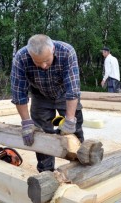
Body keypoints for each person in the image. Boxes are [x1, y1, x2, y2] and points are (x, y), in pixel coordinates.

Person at [10, 34, 84, 173]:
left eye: (46, 60)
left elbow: (73, 89)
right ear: (31, 56)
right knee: (41, 134)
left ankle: (79, 167)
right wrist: (26, 122)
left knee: (75, 130)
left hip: (64, 94)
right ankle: (46, 171)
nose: (43, 66)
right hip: (40, 95)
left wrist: (69, 120)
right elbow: (19, 94)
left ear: (53, 50)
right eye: (38, 62)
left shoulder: (67, 51)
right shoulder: (21, 58)